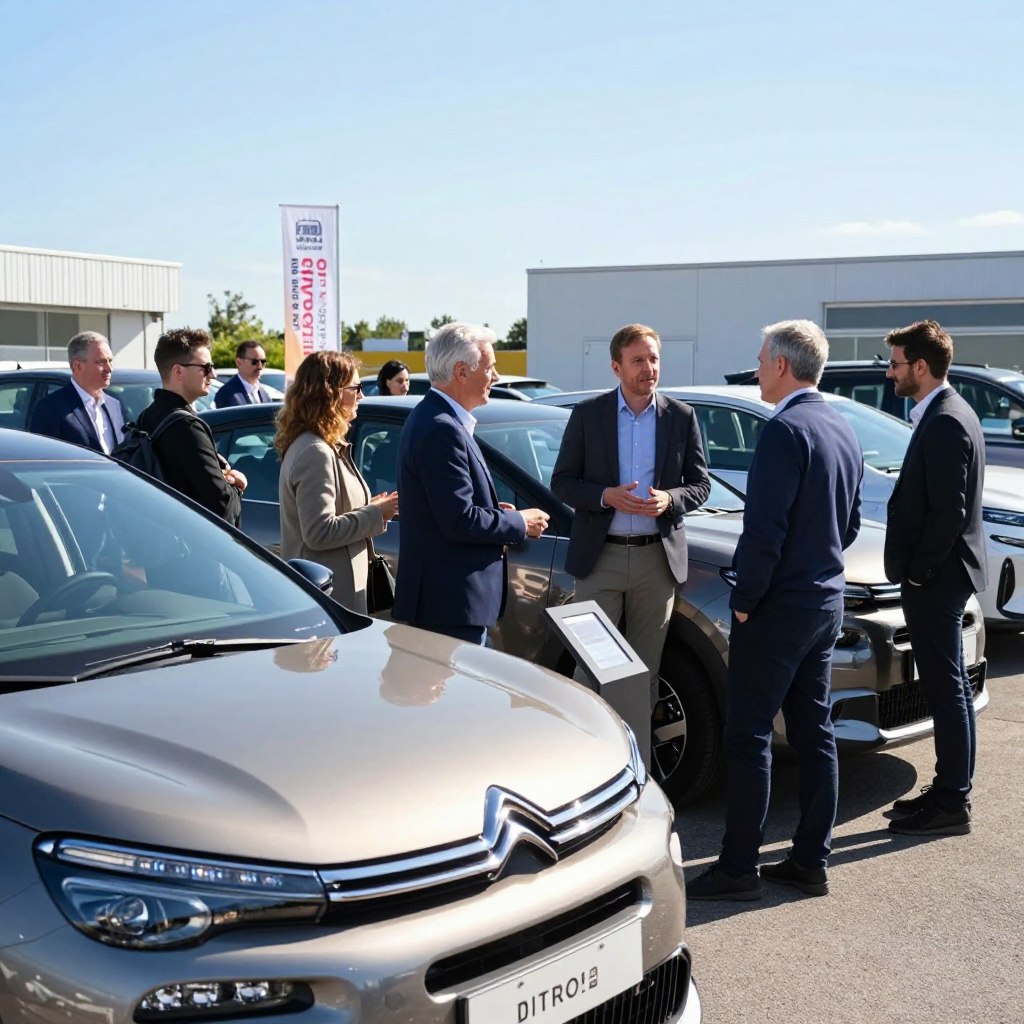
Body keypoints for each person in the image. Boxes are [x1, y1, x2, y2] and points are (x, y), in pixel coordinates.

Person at [687, 320, 863, 902]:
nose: (757, 368)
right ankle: (811, 859)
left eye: (761, 360)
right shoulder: (841, 427)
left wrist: (743, 603)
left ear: (783, 366)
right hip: (824, 601)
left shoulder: (785, 431)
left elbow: (764, 532)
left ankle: (738, 868)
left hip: (780, 608)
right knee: (815, 731)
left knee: (750, 735)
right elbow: (851, 524)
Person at [551, 323, 710, 705]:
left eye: (654, 359)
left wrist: (670, 500)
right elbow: (562, 482)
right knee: (591, 670)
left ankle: (639, 761)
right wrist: (605, 496)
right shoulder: (589, 415)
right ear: (616, 367)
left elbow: (701, 484)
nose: (649, 368)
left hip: (656, 561)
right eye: (638, 360)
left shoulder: (681, 417)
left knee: (645, 672)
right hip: (600, 557)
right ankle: (589, 759)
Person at [883, 320, 986, 837]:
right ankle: (950, 786)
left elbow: (949, 511)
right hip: (945, 575)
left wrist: (920, 575)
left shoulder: (945, 419)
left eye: (897, 364)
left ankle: (952, 801)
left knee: (946, 690)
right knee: (950, 688)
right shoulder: (949, 410)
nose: (890, 373)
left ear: (921, 367)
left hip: (939, 579)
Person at [392, 322, 549, 645]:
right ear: (461, 372)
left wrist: (494, 512)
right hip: (449, 607)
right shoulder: (441, 428)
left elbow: (450, 509)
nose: (496, 377)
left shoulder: (438, 420)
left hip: (451, 606)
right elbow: (458, 519)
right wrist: (519, 520)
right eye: (489, 367)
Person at [276, 351, 398, 613]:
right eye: (355, 388)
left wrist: (371, 508)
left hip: (334, 595)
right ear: (330, 393)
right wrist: (375, 513)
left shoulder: (323, 445)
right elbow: (319, 532)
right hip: (329, 600)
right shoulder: (315, 450)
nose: (362, 396)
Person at [137, 328, 245, 525]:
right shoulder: (186, 427)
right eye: (206, 367)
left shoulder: (147, 416)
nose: (213, 374)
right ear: (179, 371)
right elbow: (222, 508)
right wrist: (236, 486)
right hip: (186, 546)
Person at [29, 331, 125, 452]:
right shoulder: (50, 408)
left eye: (110, 361)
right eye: (101, 362)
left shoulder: (113, 405)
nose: (109, 368)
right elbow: (43, 459)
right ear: (77, 365)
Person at [214, 340, 273, 407]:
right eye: (255, 361)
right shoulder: (226, 393)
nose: (260, 366)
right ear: (239, 362)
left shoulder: (264, 393)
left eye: (263, 362)